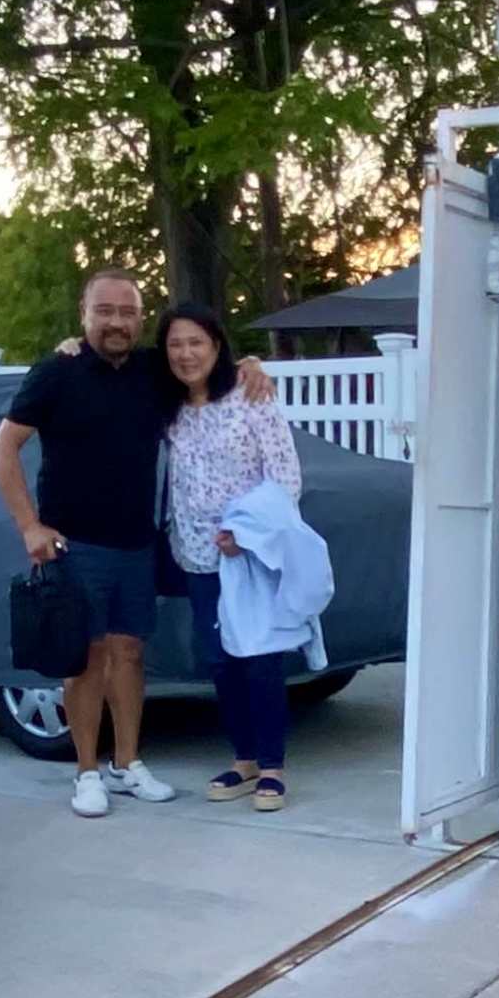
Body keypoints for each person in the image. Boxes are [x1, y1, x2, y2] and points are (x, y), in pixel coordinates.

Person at [0, 269, 266, 816]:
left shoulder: (151, 372)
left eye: (127, 312)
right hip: (75, 545)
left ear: (140, 318)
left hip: (138, 544)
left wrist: (251, 365)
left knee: (130, 654)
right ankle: (87, 773)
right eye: (105, 311)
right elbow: (3, 450)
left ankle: (127, 765)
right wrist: (29, 526)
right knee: (86, 660)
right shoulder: (55, 374)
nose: (117, 322)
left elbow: (202, 366)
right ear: (84, 314)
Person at [154, 303, 307, 811]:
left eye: (196, 341)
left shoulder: (251, 397)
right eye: (175, 344)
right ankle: (242, 759)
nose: (185, 353)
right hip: (197, 558)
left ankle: (272, 766)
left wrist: (245, 533)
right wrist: (70, 348)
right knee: (220, 661)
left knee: (260, 658)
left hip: (249, 556)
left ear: (217, 346)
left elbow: (285, 478)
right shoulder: (168, 405)